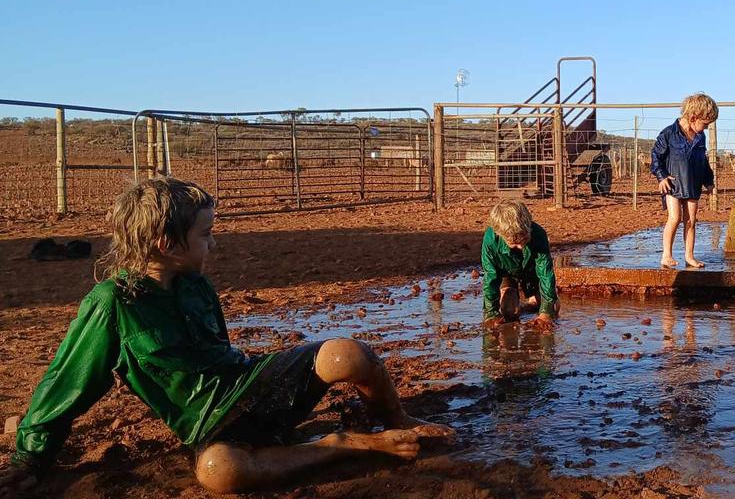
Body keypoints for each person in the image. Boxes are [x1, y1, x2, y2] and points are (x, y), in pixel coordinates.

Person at [0, 177, 451, 496]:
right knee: (218, 472)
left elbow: (224, 354)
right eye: (206, 235)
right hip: (208, 424)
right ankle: (341, 445)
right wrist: (31, 456)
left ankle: (398, 420)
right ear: (167, 244)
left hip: (248, 386)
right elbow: (68, 382)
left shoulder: (195, 285)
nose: (212, 245)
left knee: (346, 353)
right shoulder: (112, 304)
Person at [651, 92, 719, 269]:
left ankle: (689, 256)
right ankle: (667, 255)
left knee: (691, 220)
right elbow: (656, 157)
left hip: (693, 183)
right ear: (694, 117)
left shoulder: (700, 137)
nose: (705, 128)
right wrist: (661, 176)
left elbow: (703, 161)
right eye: (704, 124)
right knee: (674, 218)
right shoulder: (668, 134)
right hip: (673, 183)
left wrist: (709, 180)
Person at [480, 199, 558, 332]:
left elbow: (545, 273)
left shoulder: (538, 234)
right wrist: (491, 312)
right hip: (507, 274)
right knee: (509, 311)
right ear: (501, 235)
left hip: (532, 273)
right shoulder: (491, 240)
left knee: (554, 308)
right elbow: (491, 277)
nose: (521, 246)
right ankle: (523, 304)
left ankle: (532, 303)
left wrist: (546, 313)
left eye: (525, 239)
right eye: (514, 243)